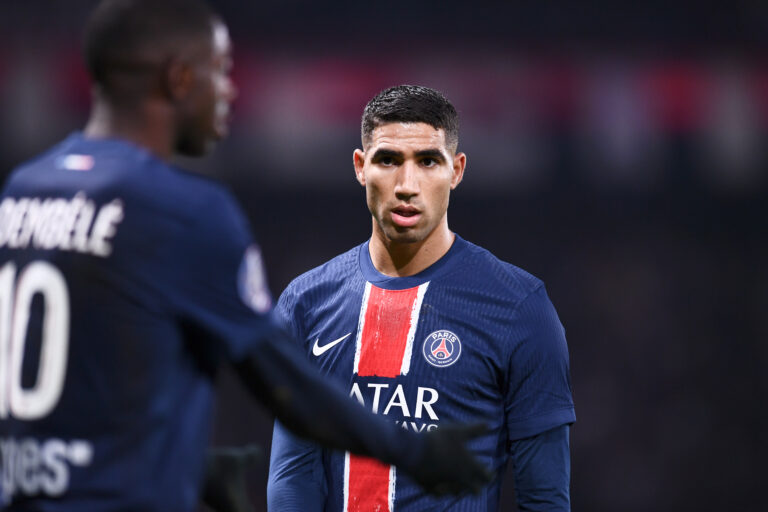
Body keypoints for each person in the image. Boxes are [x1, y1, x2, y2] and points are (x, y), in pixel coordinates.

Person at [0, 2, 491, 510]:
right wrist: (415, 451)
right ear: (179, 78)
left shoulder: (25, 189)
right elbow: (282, 382)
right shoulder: (180, 209)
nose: (229, 90)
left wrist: (180, 466)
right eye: (220, 70)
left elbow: (86, 370)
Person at [267, 85, 576, 511]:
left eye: (428, 161)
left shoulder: (521, 309)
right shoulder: (305, 303)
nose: (406, 185)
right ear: (360, 167)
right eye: (388, 160)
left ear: (457, 170)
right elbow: (292, 476)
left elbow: (544, 499)